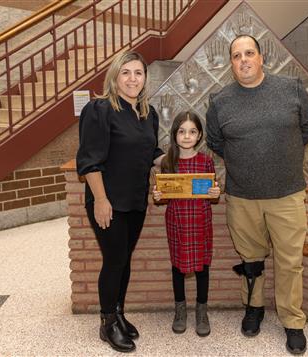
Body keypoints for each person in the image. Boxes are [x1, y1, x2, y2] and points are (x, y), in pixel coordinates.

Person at [205, 34, 308, 355]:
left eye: (249, 53)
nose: (243, 60)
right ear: (231, 63)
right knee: (251, 260)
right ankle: (253, 309)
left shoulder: (292, 89)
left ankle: (293, 321)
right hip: (242, 197)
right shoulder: (220, 100)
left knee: (289, 262)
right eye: (236, 55)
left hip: (287, 195)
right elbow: (215, 141)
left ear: (261, 57)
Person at [76, 50, 164, 353]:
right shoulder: (98, 110)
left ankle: (119, 314)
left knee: (124, 260)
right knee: (114, 261)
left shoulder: (147, 113)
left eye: (138, 73)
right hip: (108, 201)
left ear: (144, 78)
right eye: (125, 72)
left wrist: (175, 165)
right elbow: (89, 160)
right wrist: (100, 200)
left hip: (135, 200)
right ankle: (107, 322)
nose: (132, 79)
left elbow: (152, 152)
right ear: (115, 76)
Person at [152, 111, 220, 337]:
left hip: (200, 220)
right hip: (177, 221)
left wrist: (214, 193)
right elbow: (165, 196)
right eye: (182, 131)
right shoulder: (169, 162)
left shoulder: (206, 161)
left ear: (199, 135)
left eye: (192, 132)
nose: (187, 136)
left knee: (202, 267)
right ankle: (180, 310)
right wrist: (159, 196)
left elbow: (211, 194)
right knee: (177, 267)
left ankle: (202, 311)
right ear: (175, 135)